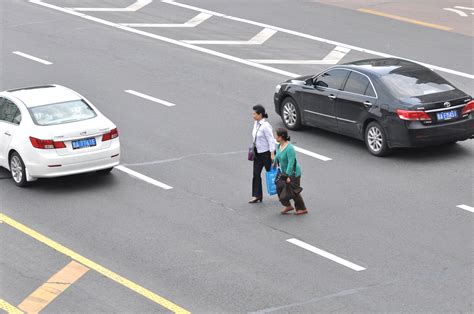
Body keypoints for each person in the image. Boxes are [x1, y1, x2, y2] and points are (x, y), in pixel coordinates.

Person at [274, 128, 308, 215]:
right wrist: (274, 163)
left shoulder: (289, 148)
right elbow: (277, 156)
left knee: (294, 191)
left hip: (293, 173)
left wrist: (288, 176)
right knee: (279, 188)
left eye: (277, 136)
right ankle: (288, 205)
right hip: (283, 173)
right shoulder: (279, 146)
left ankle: (302, 208)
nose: (275, 137)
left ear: (281, 137)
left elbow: (291, 163)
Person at [249, 105, 276, 203]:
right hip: (258, 153)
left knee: (274, 174)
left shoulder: (266, 126)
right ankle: (257, 195)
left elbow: (271, 140)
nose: (253, 115)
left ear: (260, 114)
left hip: (267, 154)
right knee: (256, 174)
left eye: (254, 114)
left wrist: (272, 154)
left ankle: (285, 192)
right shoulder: (255, 123)